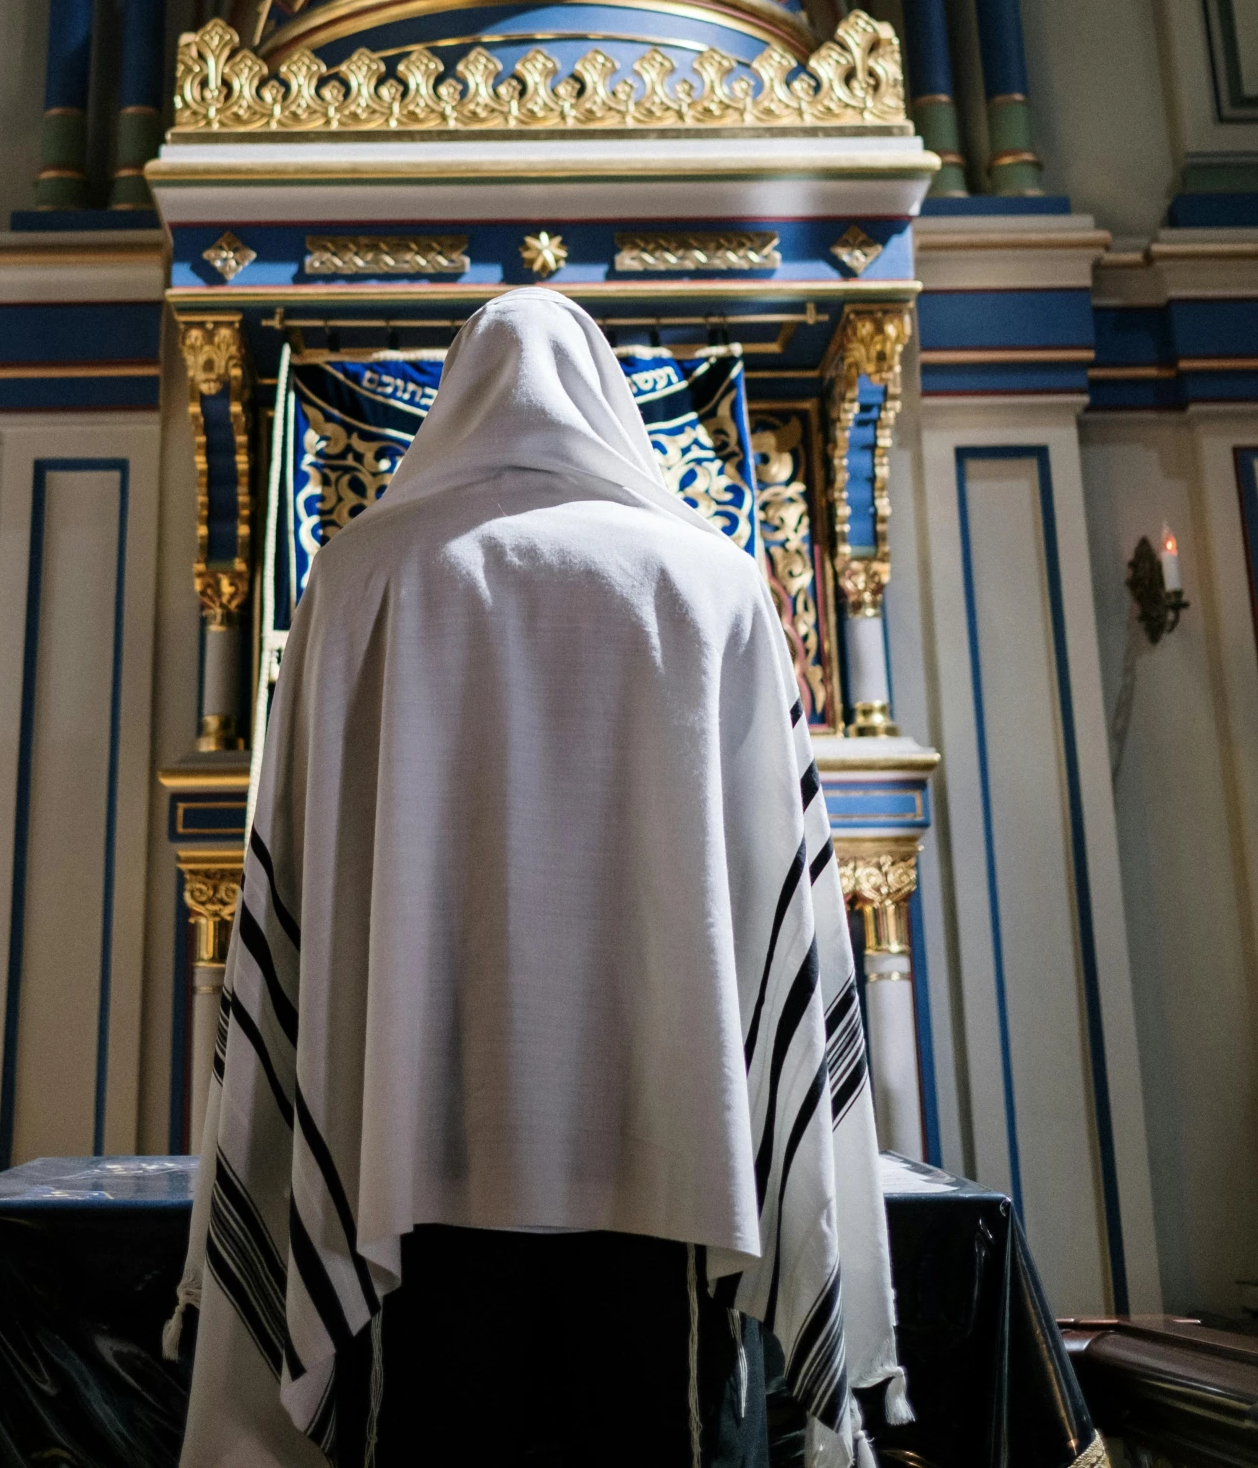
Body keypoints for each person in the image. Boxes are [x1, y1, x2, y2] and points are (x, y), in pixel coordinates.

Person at [174, 288, 907, 1468]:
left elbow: (306, 869)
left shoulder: (362, 574)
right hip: (668, 1138)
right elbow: (772, 877)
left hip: (411, 1146)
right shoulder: (707, 578)